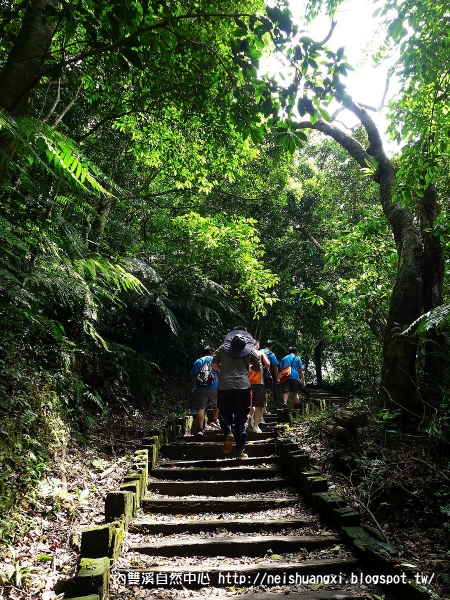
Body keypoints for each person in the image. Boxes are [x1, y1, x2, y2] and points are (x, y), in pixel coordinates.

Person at [212, 326, 261, 459]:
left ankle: (228, 431)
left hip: (224, 386)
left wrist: (224, 369)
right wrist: (246, 369)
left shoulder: (222, 348)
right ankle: (240, 452)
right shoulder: (249, 350)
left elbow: (213, 363)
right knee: (242, 419)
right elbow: (258, 366)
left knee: (224, 413)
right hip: (243, 387)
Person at [190, 346, 220, 435]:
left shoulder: (198, 361)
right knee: (217, 404)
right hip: (214, 386)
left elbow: (193, 376)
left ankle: (200, 429)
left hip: (200, 387)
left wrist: (195, 386)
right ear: (212, 353)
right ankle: (214, 420)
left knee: (200, 408)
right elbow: (220, 373)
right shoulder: (214, 361)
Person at [248, 340, 270, 433]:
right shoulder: (260, 353)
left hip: (245, 382)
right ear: (256, 346)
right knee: (259, 405)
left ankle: (249, 417)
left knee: (248, 403)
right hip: (258, 382)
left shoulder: (243, 354)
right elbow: (267, 364)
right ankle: (256, 426)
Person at [261, 340, 280, 417]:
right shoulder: (271, 354)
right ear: (271, 346)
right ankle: (264, 410)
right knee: (265, 391)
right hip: (265, 373)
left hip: (254, 373)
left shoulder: (258, 351)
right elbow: (275, 368)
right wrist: (277, 378)